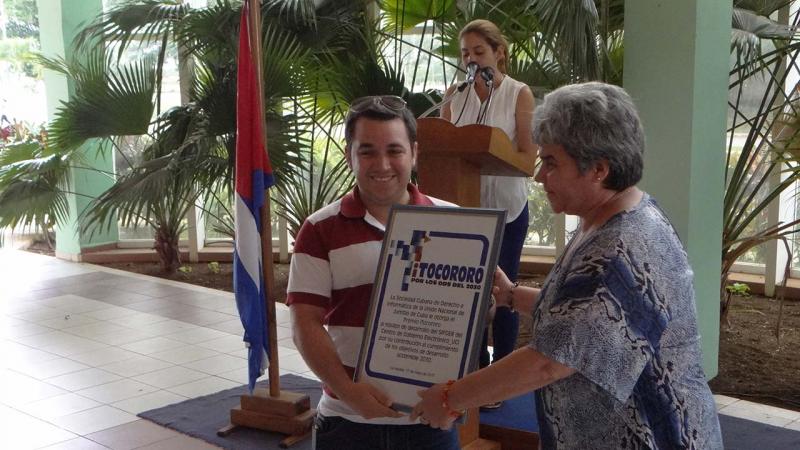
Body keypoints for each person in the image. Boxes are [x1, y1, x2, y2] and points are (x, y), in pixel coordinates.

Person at [412, 82, 724, 449]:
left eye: (551, 163)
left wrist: (452, 398)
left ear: (599, 169)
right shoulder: (617, 215)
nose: (539, 176)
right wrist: (512, 296)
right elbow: (588, 315)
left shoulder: (619, 247)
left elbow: (550, 361)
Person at [287, 95, 460, 450]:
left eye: (394, 150)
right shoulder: (319, 229)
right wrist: (350, 392)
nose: (382, 164)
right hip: (348, 422)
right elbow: (304, 322)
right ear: (350, 155)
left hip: (428, 422)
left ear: (414, 153)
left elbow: (470, 319)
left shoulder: (456, 222)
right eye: (367, 151)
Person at [442, 19, 537, 374]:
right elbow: (442, 146)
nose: (471, 60)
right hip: (464, 210)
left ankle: (503, 371)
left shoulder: (518, 93)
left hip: (507, 211)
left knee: (502, 291)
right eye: (465, 53)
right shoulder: (456, 95)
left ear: (499, 53)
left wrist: (492, 150)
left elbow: (528, 158)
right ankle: (476, 368)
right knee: (467, 290)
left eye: (479, 52)